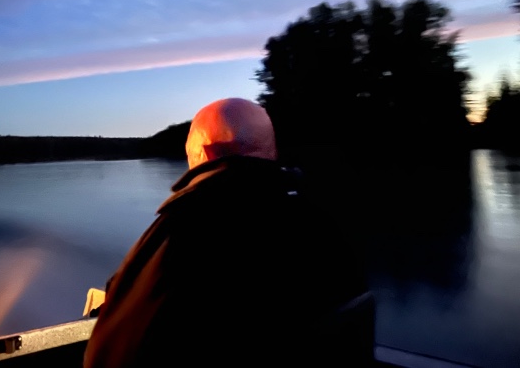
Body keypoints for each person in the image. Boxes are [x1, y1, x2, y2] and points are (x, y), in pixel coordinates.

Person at [83, 97, 374, 368]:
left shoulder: (186, 227)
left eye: (189, 154)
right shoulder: (319, 218)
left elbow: (116, 348)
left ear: (205, 152)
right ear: (269, 149)